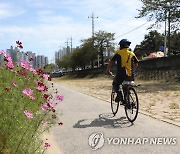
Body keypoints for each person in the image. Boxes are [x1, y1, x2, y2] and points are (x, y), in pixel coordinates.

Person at [105, 39, 139, 103]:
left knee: (115, 83)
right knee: (126, 86)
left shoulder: (118, 52)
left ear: (121, 46)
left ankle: (119, 94)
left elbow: (111, 62)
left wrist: (107, 70)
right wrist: (132, 71)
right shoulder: (132, 53)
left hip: (121, 74)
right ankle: (127, 102)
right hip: (131, 75)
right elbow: (136, 64)